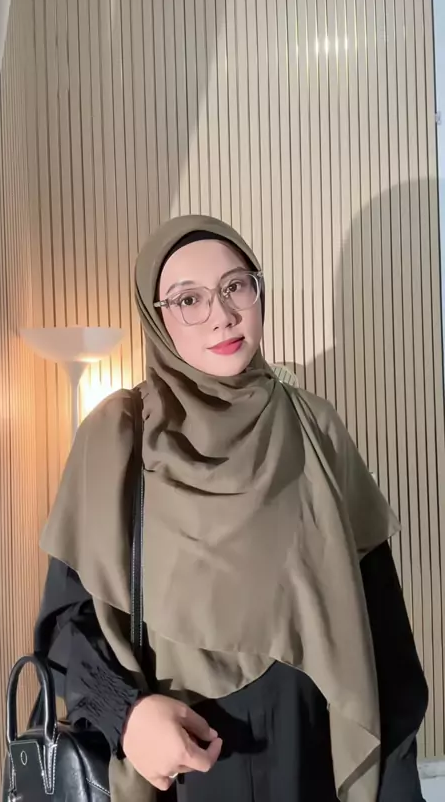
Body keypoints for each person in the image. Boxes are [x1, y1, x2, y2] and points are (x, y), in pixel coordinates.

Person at [36, 216, 428, 802]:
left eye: (236, 286)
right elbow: (65, 628)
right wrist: (129, 715)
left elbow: (384, 638)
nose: (221, 314)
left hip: (311, 759)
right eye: (188, 299)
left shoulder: (314, 428)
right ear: (156, 318)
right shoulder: (118, 439)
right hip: (181, 771)